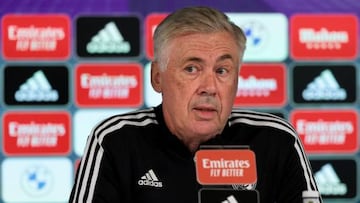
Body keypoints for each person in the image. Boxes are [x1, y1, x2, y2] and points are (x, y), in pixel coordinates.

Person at [69, 6, 322, 203]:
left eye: (222, 70)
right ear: (158, 77)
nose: (210, 87)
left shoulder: (276, 140)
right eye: (192, 68)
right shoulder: (115, 140)